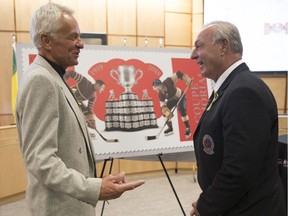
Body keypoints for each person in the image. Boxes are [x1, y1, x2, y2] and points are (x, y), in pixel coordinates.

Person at [16, 3, 144, 216]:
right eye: (73, 37)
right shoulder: (41, 79)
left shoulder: (55, 76)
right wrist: (93, 188)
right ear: (46, 41)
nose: (81, 44)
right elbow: (42, 160)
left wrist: (94, 181)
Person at [190, 21, 286, 216]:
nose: (193, 55)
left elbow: (238, 171)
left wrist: (205, 206)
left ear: (223, 46)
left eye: (199, 46)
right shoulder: (233, 86)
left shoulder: (243, 92)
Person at [152, 71, 192, 139]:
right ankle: (170, 128)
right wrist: (166, 111)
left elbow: (178, 74)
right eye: (156, 89)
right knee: (164, 112)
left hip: (180, 96)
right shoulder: (160, 94)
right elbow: (162, 105)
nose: (157, 90)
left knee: (181, 109)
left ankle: (188, 128)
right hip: (172, 100)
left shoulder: (168, 81)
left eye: (157, 88)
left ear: (160, 85)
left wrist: (186, 79)